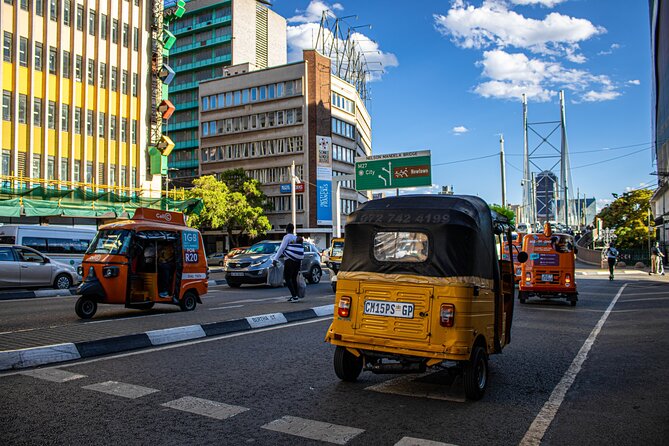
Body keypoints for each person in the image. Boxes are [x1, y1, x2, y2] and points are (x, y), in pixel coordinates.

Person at [271, 223, 304, 302]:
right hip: (297, 260)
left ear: (286, 230)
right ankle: (295, 296)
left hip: (289, 260)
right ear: (293, 229)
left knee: (287, 278)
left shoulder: (287, 237)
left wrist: (275, 259)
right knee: (293, 278)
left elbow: (282, 248)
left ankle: (294, 296)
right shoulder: (296, 237)